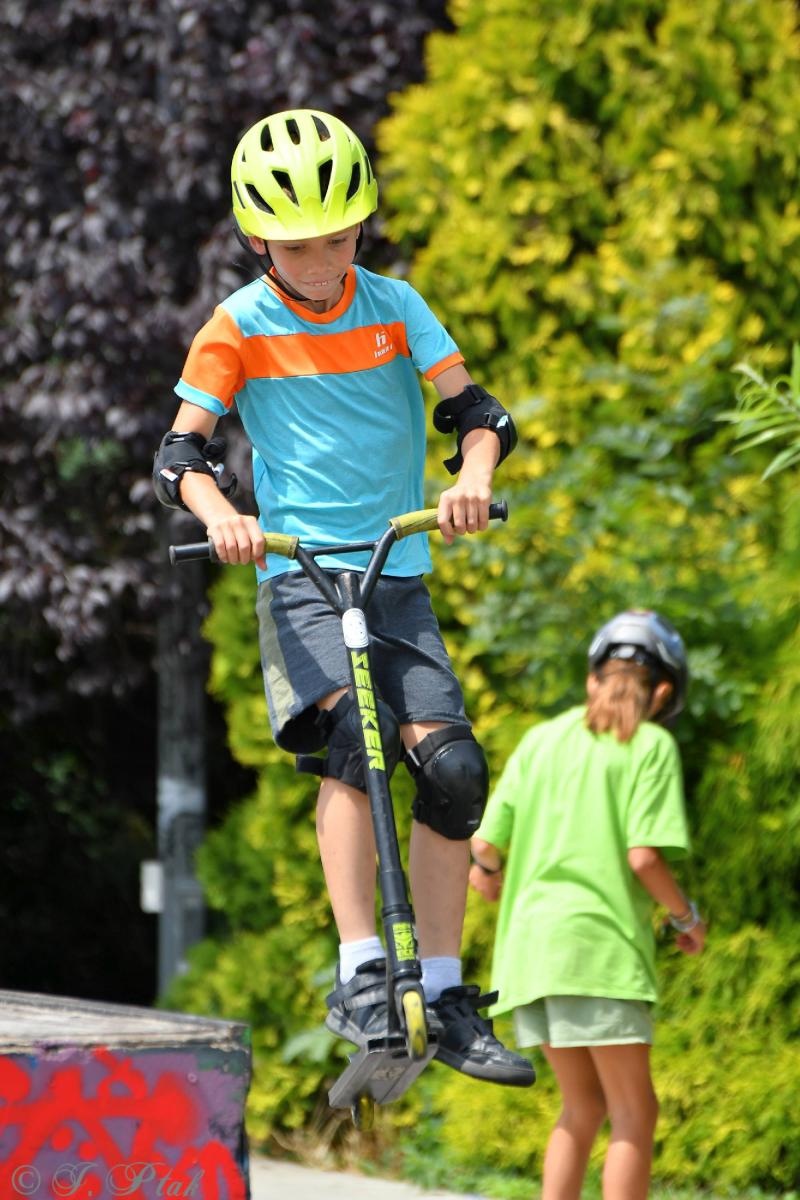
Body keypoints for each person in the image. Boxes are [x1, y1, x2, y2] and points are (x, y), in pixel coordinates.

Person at [153, 108, 533, 1087]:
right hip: (301, 577)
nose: (324, 259)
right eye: (300, 242)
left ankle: (444, 993)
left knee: (451, 773)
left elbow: (476, 415)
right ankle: (362, 970)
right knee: (356, 745)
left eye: (341, 235)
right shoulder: (237, 326)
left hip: (394, 573)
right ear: (255, 238)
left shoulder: (397, 307)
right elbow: (180, 454)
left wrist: (471, 478)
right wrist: (221, 511)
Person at [470, 610, 707, 1198]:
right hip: (598, 951)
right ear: (664, 690)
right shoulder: (649, 746)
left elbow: (484, 844)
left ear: (591, 679)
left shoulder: (542, 739)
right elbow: (644, 858)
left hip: (530, 955)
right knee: (635, 1112)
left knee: (582, 1107)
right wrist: (687, 918)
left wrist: (487, 874)